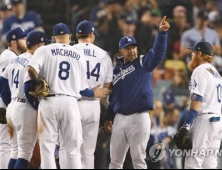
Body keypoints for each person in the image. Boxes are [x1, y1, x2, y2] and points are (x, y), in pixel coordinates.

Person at [26, 23, 109, 169]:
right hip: (71, 103)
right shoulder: (78, 55)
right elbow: (83, 89)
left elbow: (31, 69)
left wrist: (37, 81)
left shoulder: (45, 50)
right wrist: (93, 93)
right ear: (70, 37)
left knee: (48, 150)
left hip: (49, 101)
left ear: (53, 37)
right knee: (73, 150)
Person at [104, 16, 170, 169]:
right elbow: (114, 97)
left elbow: (158, 53)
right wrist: (108, 117)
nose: (132, 50)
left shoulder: (143, 62)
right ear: (121, 50)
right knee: (114, 161)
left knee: (139, 160)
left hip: (139, 117)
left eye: (134, 47)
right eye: (128, 48)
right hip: (119, 118)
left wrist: (161, 34)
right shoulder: (115, 70)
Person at [60, 20, 113, 169]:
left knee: (67, 148)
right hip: (93, 106)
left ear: (76, 36)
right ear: (91, 35)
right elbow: (107, 87)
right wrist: (96, 92)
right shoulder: (104, 54)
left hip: (72, 103)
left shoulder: (69, 50)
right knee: (88, 152)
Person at [0, 31, 48, 169]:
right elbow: (28, 89)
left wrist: (10, 102)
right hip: (25, 107)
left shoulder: (16, 59)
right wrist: (37, 108)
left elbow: (2, 81)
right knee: (25, 153)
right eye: (43, 44)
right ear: (38, 44)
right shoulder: (34, 62)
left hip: (13, 107)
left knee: (15, 152)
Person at [178, 41, 222, 169]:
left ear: (199, 53)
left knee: (192, 163)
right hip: (217, 123)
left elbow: (197, 101)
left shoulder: (200, 70)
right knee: (210, 164)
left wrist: (186, 126)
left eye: (193, 52)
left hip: (204, 121)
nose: (192, 55)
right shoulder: (217, 74)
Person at [0, 27, 27, 169]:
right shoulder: (8, 57)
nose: (25, 40)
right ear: (14, 42)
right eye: (22, 38)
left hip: (7, 103)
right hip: (4, 103)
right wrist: (6, 107)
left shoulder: (10, 56)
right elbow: (4, 86)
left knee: (9, 145)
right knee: (5, 144)